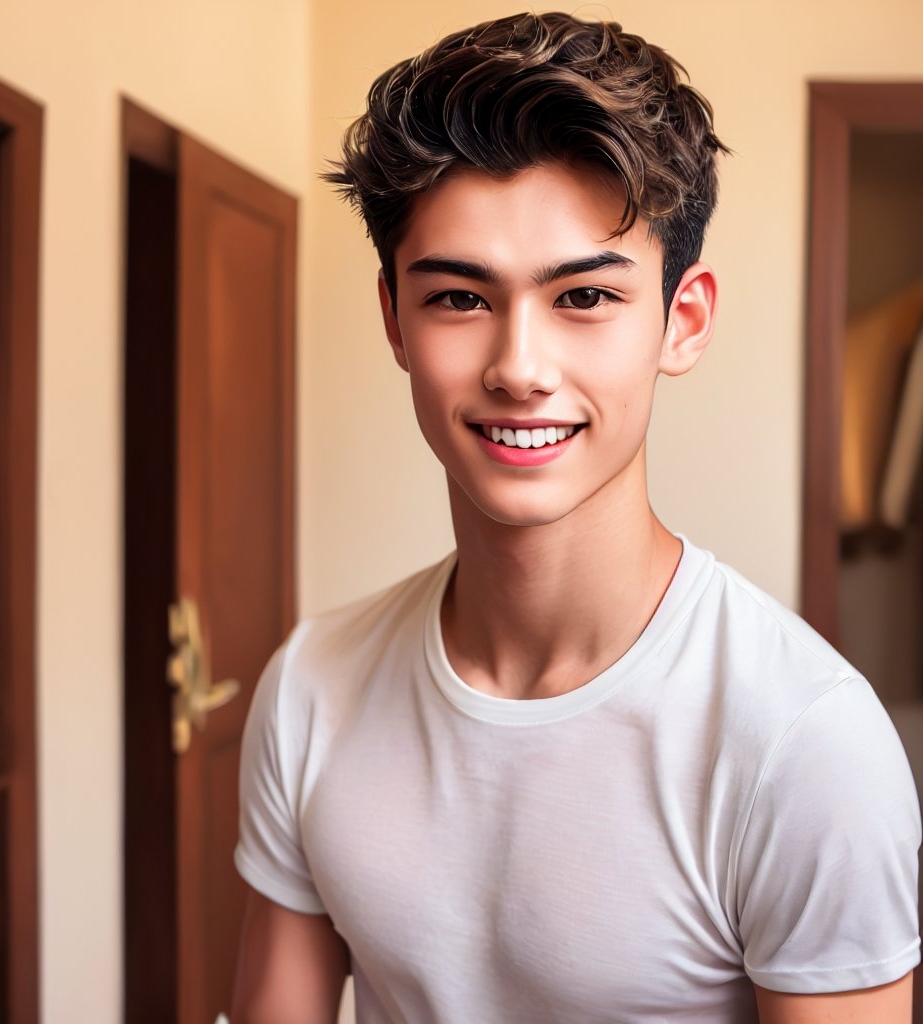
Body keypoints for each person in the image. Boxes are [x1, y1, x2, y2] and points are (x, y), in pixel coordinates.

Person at [229, 11, 921, 1023]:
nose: (517, 367)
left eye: (584, 297)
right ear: (394, 322)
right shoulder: (311, 686)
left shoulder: (803, 743)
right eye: (460, 298)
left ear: (679, 323)